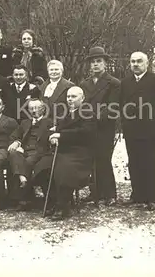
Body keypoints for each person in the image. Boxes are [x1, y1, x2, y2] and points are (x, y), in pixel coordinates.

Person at [119, 51, 155, 211]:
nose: (135, 64)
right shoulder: (126, 82)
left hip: (150, 130)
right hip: (131, 130)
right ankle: (137, 195)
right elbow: (121, 104)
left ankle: (151, 198)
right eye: (132, 61)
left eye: (139, 61)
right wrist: (124, 121)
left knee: (149, 163)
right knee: (134, 163)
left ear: (146, 63)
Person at [46, 86, 97, 220]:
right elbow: (64, 127)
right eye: (68, 96)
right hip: (64, 150)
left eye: (73, 96)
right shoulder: (68, 112)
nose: (70, 99)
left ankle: (63, 205)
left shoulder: (87, 112)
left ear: (82, 98)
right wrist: (55, 133)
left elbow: (84, 133)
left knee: (64, 167)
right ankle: (54, 200)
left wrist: (60, 135)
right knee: (44, 165)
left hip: (80, 153)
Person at [79, 47, 121, 206]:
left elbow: (113, 107)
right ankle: (94, 192)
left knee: (104, 158)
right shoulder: (84, 84)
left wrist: (96, 116)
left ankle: (110, 194)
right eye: (93, 62)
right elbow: (81, 105)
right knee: (90, 159)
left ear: (105, 63)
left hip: (105, 127)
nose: (96, 65)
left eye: (99, 61)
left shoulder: (113, 83)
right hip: (87, 127)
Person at [7, 98, 52, 210]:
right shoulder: (25, 123)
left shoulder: (49, 122)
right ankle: (23, 178)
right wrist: (17, 143)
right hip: (25, 151)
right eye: (31, 108)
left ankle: (23, 198)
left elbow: (53, 136)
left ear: (42, 109)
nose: (34, 111)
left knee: (26, 161)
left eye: (36, 108)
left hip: (40, 152)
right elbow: (14, 136)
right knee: (13, 153)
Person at [39, 60, 74, 125]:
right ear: (48, 71)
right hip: (43, 123)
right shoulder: (42, 87)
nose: (54, 72)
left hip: (61, 122)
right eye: (51, 70)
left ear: (62, 71)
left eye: (56, 69)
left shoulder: (69, 86)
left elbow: (72, 108)